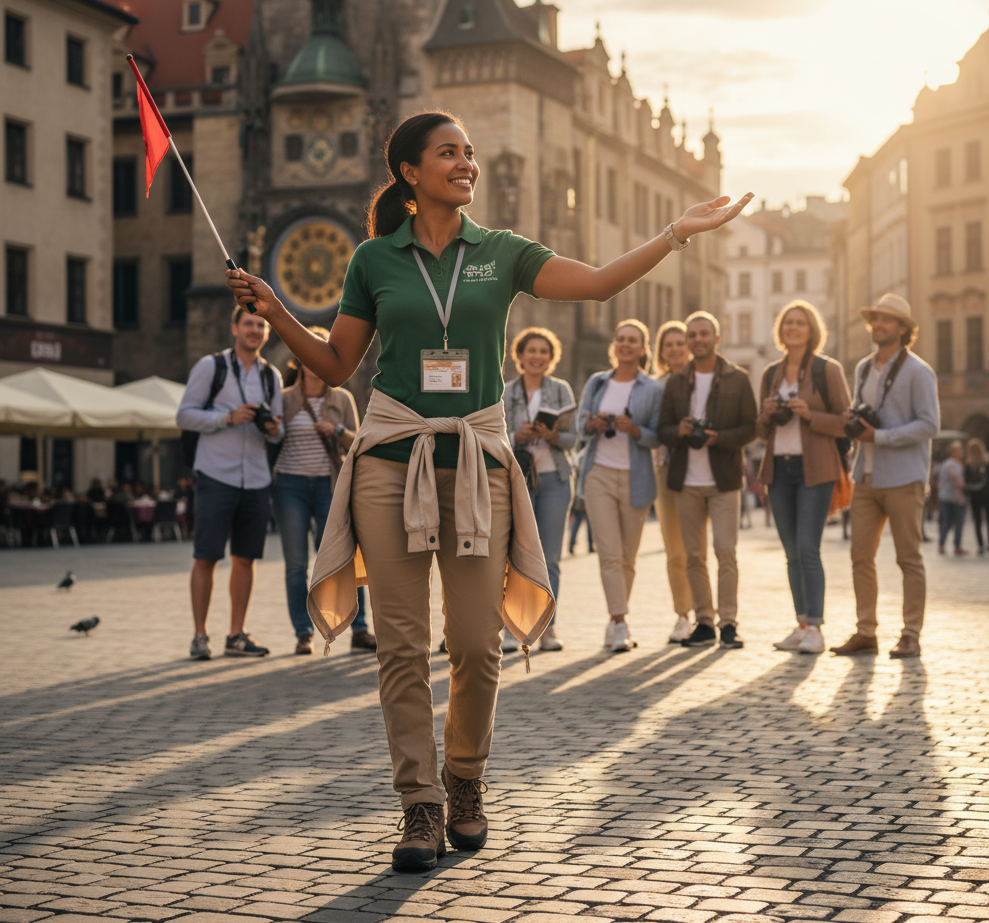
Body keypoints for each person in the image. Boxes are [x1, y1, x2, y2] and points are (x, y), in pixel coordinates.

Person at [225, 111, 752, 872]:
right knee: (401, 647)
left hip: (475, 461)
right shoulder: (374, 258)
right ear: (410, 172)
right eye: (450, 153)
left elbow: (599, 282)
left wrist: (676, 232)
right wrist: (278, 314)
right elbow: (338, 365)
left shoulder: (501, 254)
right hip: (390, 461)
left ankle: (464, 779)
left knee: (475, 644)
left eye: (469, 153)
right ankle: (419, 805)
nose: (466, 163)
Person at [830, 294, 939, 660]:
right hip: (865, 475)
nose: (878, 325)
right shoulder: (863, 368)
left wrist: (880, 436)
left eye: (887, 320)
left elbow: (929, 424)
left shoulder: (919, 371)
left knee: (908, 558)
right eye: (875, 319)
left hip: (903, 477)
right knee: (860, 556)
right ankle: (866, 632)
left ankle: (910, 634)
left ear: (904, 329)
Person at [176, 306, 284, 661]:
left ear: (267, 333)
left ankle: (236, 635)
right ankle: (199, 635)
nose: (255, 330)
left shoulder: (272, 377)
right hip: (216, 474)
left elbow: (280, 426)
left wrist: (272, 428)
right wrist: (228, 418)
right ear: (234, 327)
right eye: (249, 324)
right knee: (206, 556)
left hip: (255, 477)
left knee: (245, 559)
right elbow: (185, 415)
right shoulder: (212, 367)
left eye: (261, 325)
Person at [657, 311, 758, 650]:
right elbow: (663, 429)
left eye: (704, 334)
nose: (697, 340)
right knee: (694, 555)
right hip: (686, 479)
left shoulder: (737, 378)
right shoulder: (675, 382)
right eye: (692, 335)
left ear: (717, 338)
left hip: (724, 477)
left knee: (725, 551)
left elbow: (750, 428)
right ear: (688, 342)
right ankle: (704, 622)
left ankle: (728, 622)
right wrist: (680, 431)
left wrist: (719, 438)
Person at [756, 301, 851, 655]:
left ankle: (816, 626)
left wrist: (811, 414)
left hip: (816, 468)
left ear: (811, 330)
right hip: (778, 469)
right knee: (790, 552)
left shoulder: (827, 369)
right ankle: (801, 624)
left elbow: (846, 421)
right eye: (787, 323)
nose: (792, 328)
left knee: (809, 549)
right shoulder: (771, 373)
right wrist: (766, 415)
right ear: (780, 331)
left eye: (800, 323)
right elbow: (761, 432)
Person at [274, 326, 375, 655]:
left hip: (329, 486)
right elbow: (271, 440)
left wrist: (338, 429)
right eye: (308, 354)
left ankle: (359, 630)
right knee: (296, 565)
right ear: (298, 360)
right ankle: (303, 633)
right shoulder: (285, 399)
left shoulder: (341, 398)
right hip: (290, 484)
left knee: (342, 559)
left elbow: (359, 443)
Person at [577, 320, 664, 653]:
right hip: (599, 473)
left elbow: (659, 434)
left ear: (643, 349)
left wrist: (635, 430)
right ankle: (619, 622)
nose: (626, 345)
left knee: (628, 557)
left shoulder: (653, 389)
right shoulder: (597, 383)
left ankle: (616, 619)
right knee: (610, 553)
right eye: (621, 339)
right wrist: (592, 423)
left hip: (636, 476)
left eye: (633, 341)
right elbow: (580, 427)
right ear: (614, 345)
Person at [502, 327, 577, 653]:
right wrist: (518, 436)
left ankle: (547, 628)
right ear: (519, 356)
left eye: (544, 352)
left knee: (550, 558)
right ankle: (512, 626)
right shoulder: (505, 392)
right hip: (517, 481)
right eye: (531, 351)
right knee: (514, 556)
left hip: (554, 480)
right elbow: (494, 437)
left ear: (551, 358)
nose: (537, 357)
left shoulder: (561, 391)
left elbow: (574, 439)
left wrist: (551, 436)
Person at [651, 320, 694, 643]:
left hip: (704, 469)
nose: (676, 349)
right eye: (670, 344)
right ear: (661, 351)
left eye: (681, 343)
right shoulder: (655, 386)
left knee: (703, 548)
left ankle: (707, 614)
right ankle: (683, 615)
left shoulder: (704, 380)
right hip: (666, 469)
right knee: (675, 549)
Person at [963, 438, 989, 556]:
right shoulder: (987, 463)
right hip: (988, 494)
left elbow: (966, 481)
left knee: (977, 521)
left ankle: (980, 545)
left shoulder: (969, 465)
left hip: (975, 495)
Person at [936, 441, 967, 555]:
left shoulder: (946, 463)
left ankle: (941, 545)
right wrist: (967, 486)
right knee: (958, 522)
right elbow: (956, 480)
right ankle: (956, 546)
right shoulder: (952, 464)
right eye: (960, 450)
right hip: (955, 497)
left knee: (946, 521)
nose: (962, 453)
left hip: (945, 496)